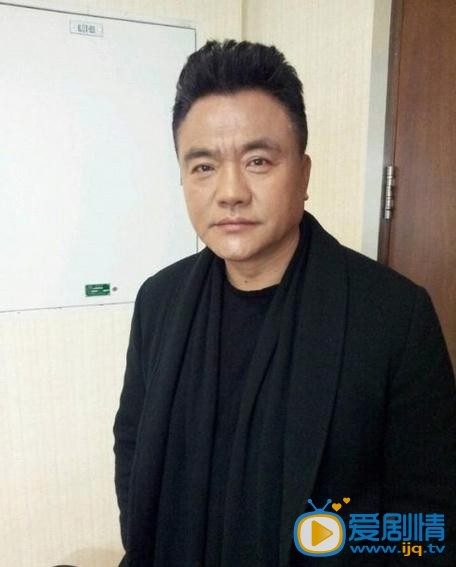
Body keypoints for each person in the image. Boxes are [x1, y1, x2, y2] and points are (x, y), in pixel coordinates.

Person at [113, 40, 455, 566]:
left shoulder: (395, 317)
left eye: (258, 160)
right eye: (203, 166)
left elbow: (429, 517)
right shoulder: (159, 301)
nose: (230, 191)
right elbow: (133, 443)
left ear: (304, 173)